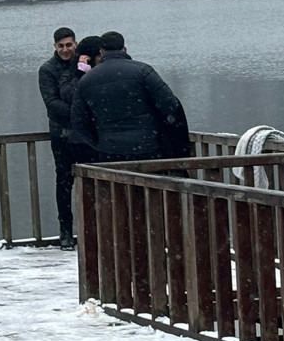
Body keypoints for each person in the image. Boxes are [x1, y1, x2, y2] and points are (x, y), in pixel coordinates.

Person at [69, 31, 191, 163]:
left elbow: (78, 120)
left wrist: (98, 143)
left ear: (102, 51)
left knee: (115, 183)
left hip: (109, 150)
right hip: (147, 147)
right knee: (150, 182)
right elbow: (170, 105)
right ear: (124, 48)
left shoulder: (87, 79)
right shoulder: (143, 71)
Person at [38, 27, 80, 250]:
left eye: (69, 45)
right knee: (63, 182)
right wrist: (80, 113)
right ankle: (65, 232)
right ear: (55, 47)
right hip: (61, 134)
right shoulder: (47, 70)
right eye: (61, 46)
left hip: (85, 136)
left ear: (75, 44)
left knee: (90, 181)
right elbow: (51, 104)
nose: (65, 49)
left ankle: (89, 228)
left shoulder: (84, 64)